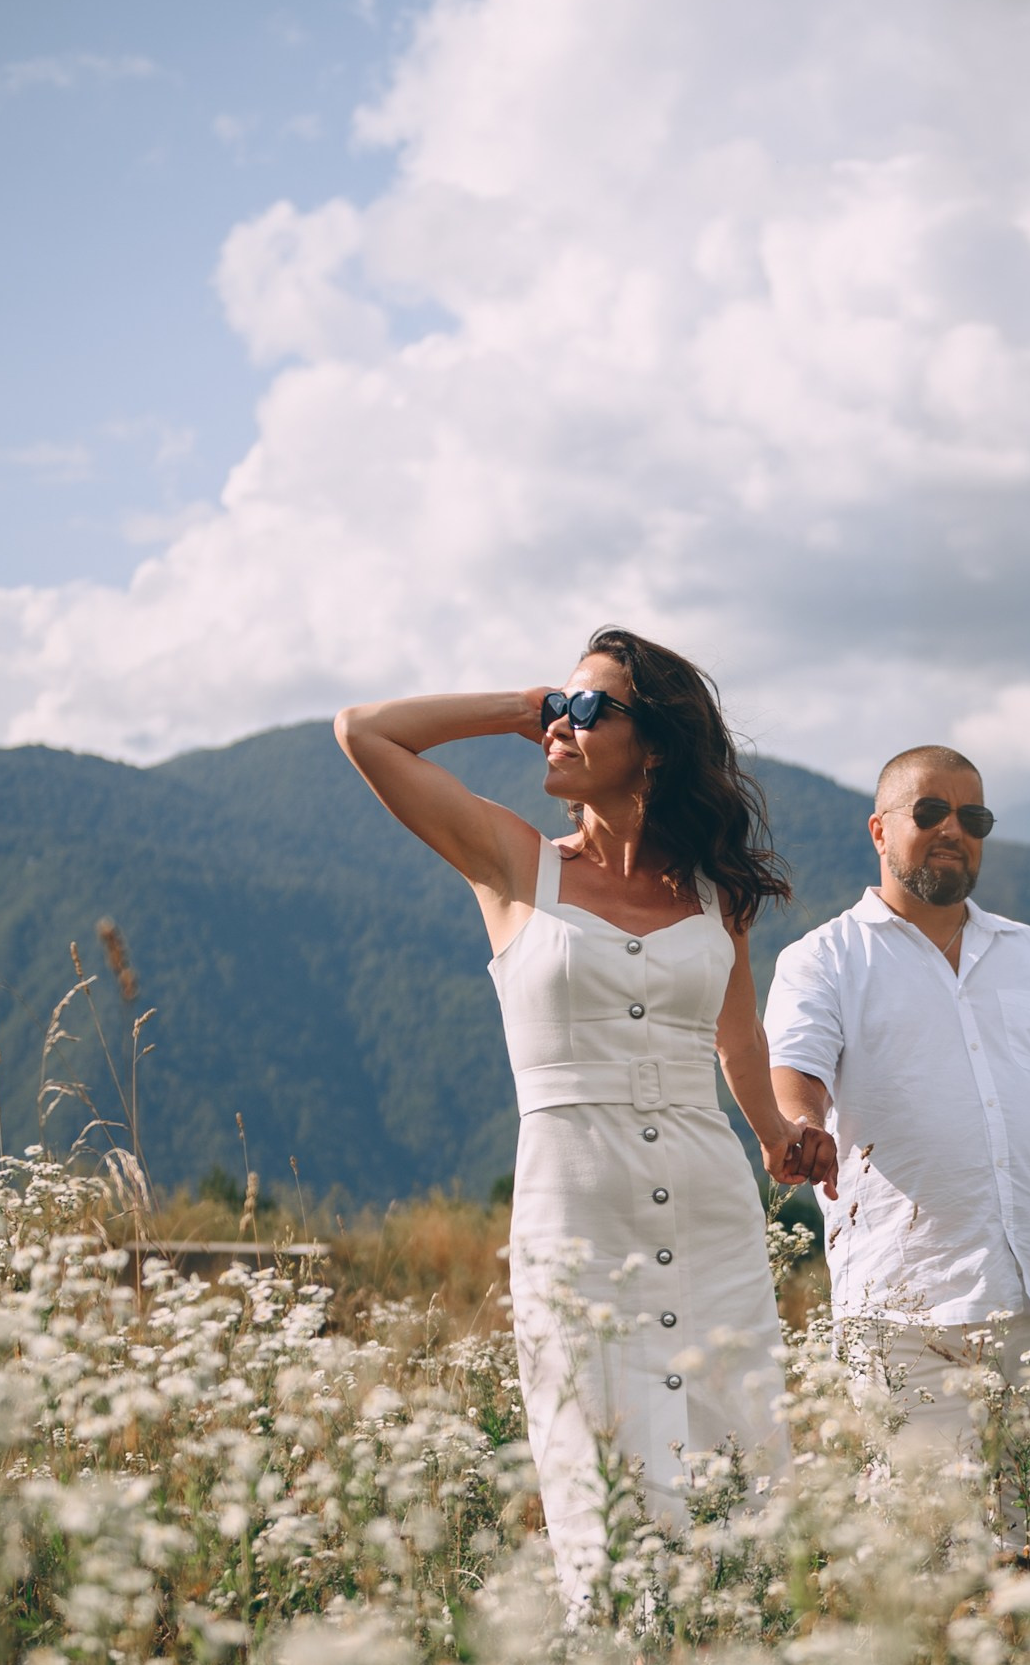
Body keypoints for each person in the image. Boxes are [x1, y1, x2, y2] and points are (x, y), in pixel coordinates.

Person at [335, 634, 836, 1595]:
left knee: (735, 1457)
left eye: (594, 708)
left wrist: (778, 1139)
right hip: (575, 1207)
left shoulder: (713, 894)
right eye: (565, 707)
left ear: (653, 746)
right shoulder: (513, 862)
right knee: (596, 1453)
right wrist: (523, 707)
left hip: (710, 1207)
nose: (566, 724)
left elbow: (736, 1040)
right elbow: (365, 734)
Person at [763, 742, 1030, 1516]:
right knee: (919, 1547)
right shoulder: (824, 958)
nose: (951, 831)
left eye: (972, 817)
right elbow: (795, 1069)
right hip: (903, 1308)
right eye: (927, 812)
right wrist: (801, 1123)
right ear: (877, 830)